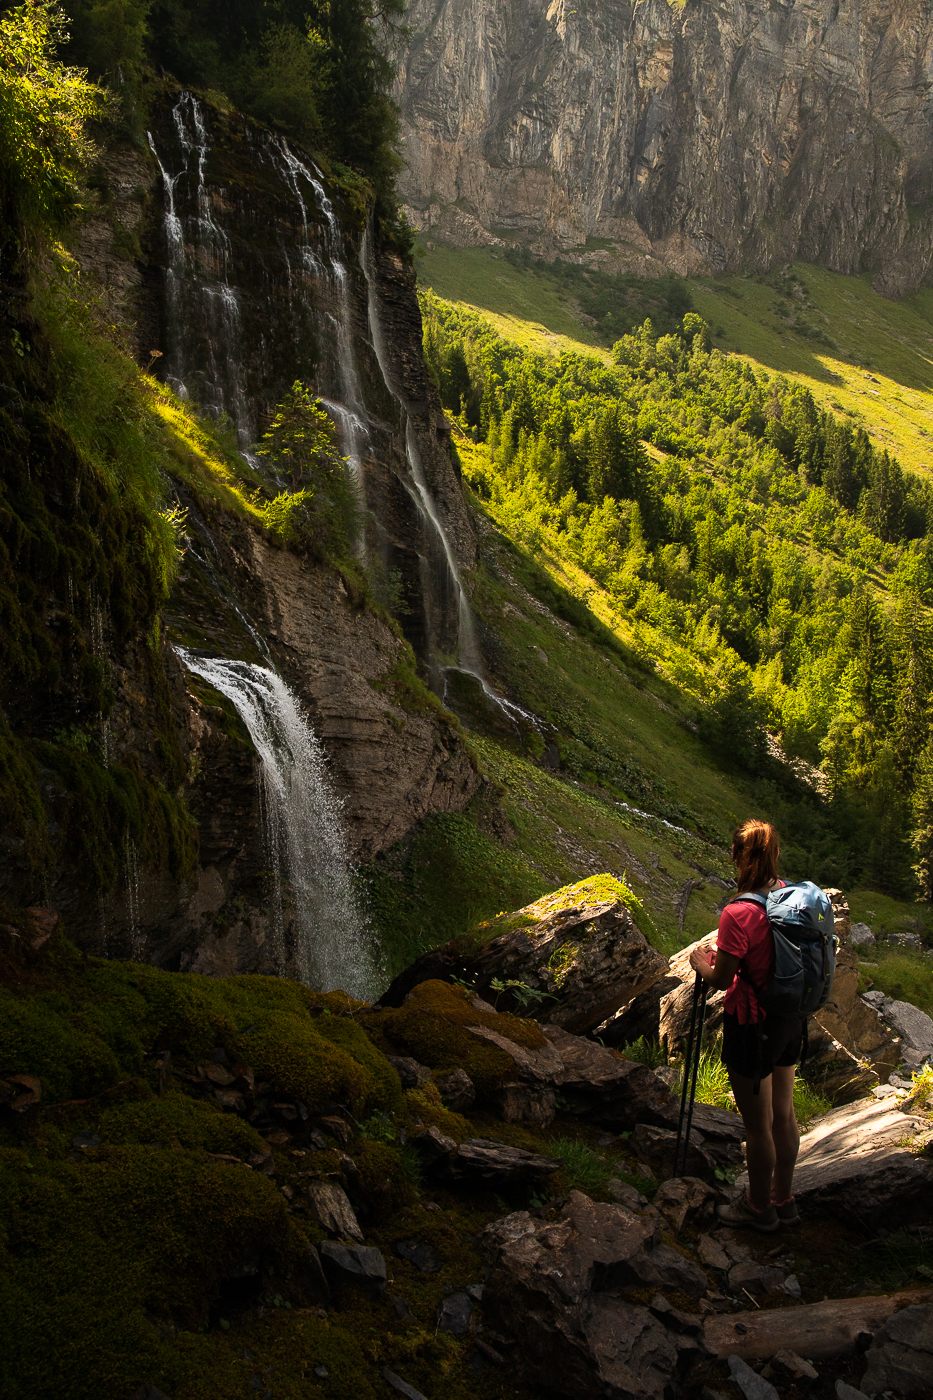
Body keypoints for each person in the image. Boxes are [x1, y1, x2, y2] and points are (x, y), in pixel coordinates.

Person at [688, 818, 801, 1233]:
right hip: (790, 1019)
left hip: (752, 1024)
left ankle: (757, 1207)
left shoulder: (738, 912)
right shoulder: (788, 897)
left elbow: (723, 980)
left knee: (757, 1126)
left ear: (736, 855)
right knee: (783, 1116)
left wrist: (701, 964)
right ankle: (783, 1199)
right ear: (774, 856)